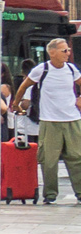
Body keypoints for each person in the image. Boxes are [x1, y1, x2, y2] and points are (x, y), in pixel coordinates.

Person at [10, 38, 81, 205]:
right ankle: (50, 194)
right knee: (49, 160)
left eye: (68, 50)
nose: (68, 53)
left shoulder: (71, 69)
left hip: (72, 119)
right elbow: (24, 86)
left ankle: (80, 192)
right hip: (50, 120)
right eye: (64, 51)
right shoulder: (42, 69)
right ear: (52, 53)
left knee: (77, 157)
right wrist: (16, 103)